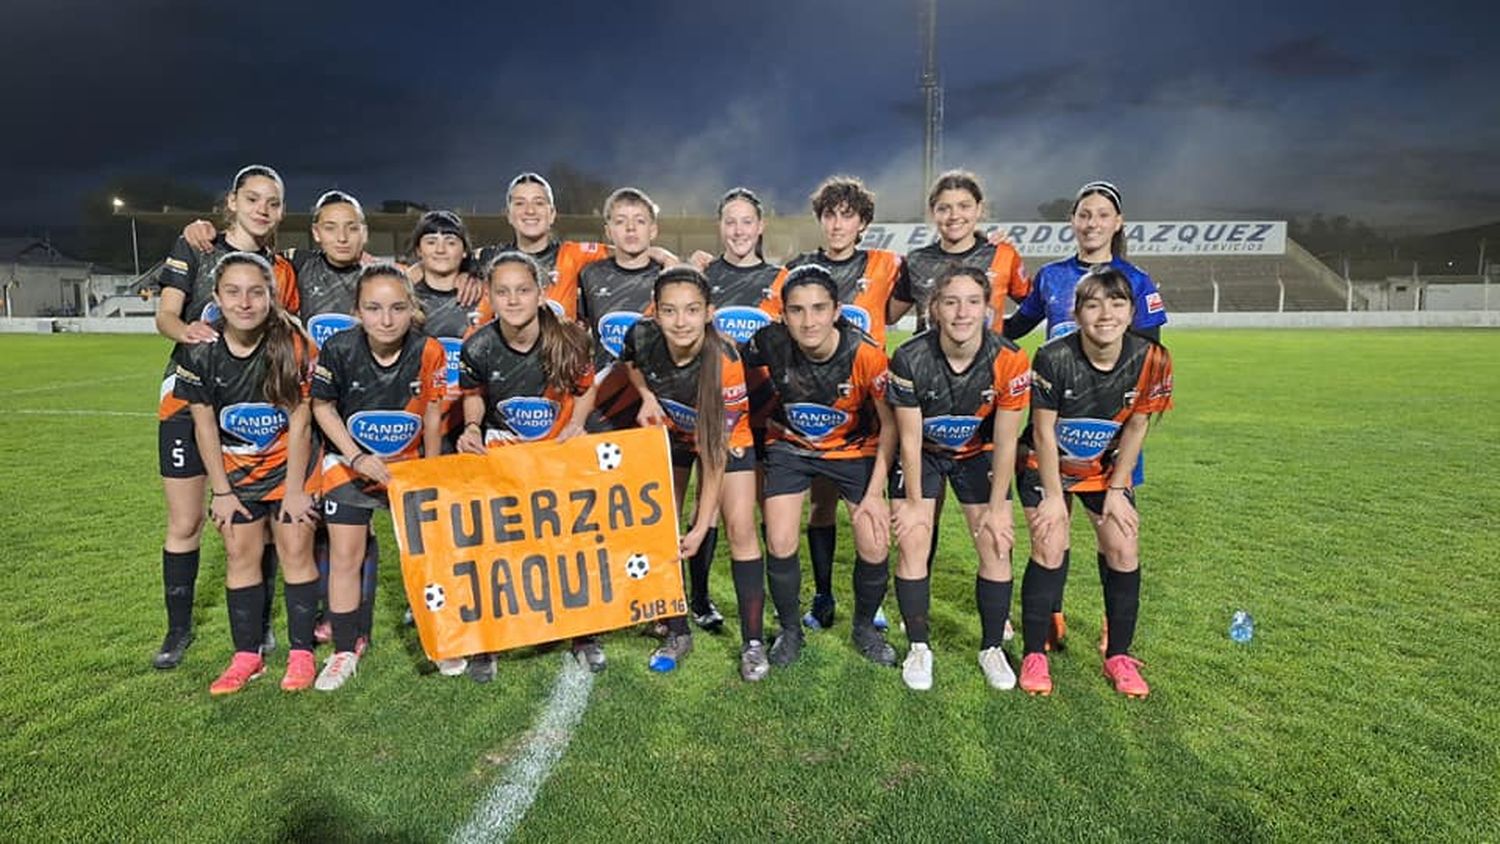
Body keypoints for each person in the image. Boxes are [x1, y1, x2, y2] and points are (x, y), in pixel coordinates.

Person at [1004, 180, 1169, 651]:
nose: (1092, 223)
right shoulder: (1053, 277)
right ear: (1073, 222)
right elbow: (1015, 329)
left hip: (1106, 435)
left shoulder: (1136, 282)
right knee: (1053, 526)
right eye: (1084, 214)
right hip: (1054, 426)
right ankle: (1051, 615)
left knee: (1113, 531)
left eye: (1101, 215)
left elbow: (1148, 359)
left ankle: (1111, 625)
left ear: (1117, 223)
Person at [151, 165, 291, 670]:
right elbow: (166, 315)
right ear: (232, 201)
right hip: (188, 400)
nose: (262, 209)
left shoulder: (278, 266)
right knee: (185, 519)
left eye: (272, 202)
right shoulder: (197, 246)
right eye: (253, 198)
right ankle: (177, 630)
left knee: (263, 521)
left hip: (252, 408)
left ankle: (261, 624)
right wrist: (187, 333)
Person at [1014, 267, 1173, 698]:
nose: (1106, 314)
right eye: (1093, 304)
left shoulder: (1152, 359)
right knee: (1050, 541)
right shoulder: (1053, 357)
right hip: (1044, 463)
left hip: (1104, 469)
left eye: (1117, 303)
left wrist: (1119, 491)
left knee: (1123, 544)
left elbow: (1138, 427)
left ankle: (1119, 657)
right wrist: (1051, 495)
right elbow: (1044, 432)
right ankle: (1034, 654)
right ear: (1078, 312)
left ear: (1131, 311)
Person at [762, 176, 908, 633]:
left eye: (848, 214)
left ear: (863, 221)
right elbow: (776, 333)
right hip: (807, 406)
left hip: (862, 410)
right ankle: (823, 595)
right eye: (830, 214)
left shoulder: (886, 265)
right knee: (819, 509)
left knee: (869, 518)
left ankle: (870, 605)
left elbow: (900, 311)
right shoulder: (796, 269)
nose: (838, 223)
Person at [172, 252, 321, 694]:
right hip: (235, 470)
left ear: (271, 297)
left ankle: (300, 654)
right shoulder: (200, 351)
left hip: (289, 467)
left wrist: (295, 491)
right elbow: (203, 425)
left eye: (256, 292)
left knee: (296, 551)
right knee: (241, 556)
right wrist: (221, 492)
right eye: (233, 292)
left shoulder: (293, 344)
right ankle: (246, 656)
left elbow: (300, 422)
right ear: (216, 297)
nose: (245, 302)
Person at [742, 265, 897, 669]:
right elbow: (725, 360)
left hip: (854, 449)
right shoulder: (768, 341)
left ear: (837, 311)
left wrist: (877, 493)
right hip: (791, 448)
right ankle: (790, 632)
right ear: (783, 313)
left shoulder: (866, 355)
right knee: (778, 539)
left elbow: (892, 425)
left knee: (875, 540)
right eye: (796, 310)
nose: (808, 321)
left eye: (818, 309)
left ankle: (864, 628)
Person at [455, 251, 600, 679]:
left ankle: (583, 633)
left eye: (523, 290)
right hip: (505, 450)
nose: (513, 300)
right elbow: (474, 392)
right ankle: (491, 641)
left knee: (568, 543)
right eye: (503, 291)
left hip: (556, 451)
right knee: (498, 547)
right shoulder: (478, 345)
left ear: (540, 293)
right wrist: (472, 428)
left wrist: (575, 423)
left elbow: (586, 387)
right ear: (490, 295)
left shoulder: (569, 338)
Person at [619, 265, 767, 680]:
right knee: (659, 523)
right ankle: (677, 629)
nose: (681, 322)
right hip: (673, 431)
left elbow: (716, 456)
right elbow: (632, 362)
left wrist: (702, 526)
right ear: (656, 313)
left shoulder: (725, 360)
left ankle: (753, 642)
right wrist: (647, 396)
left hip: (724, 438)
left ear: (709, 313)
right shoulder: (641, 335)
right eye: (670, 311)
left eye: (691, 310)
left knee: (739, 528)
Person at [886, 265, 1030, 691]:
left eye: (972, 302)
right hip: (924, 455)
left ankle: (991, 648)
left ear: (987, 308)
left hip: (976, 453)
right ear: (935, 308)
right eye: (951, 302)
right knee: (913, 538)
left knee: (995, 542)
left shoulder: (1010, 358)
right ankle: (918, 646)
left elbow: (1005, 441)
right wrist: (913, 503)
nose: (962, 312)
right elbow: (909, 439)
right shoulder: (910, 357)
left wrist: (1001, 506)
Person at [310, 264, 447, 690]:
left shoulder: (429, 350)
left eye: (397, 308)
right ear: (358, 311)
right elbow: (321, 407)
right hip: (349, 466)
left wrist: (431, 468)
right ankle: (344, 651)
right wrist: (355, 456)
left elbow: (433, 412)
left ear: (413, 309)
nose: (386, 319)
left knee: (426, 556)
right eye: (373, 308)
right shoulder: (338, 348)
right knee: (346, 557)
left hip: (407, 468)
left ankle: (443, 640)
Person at [679, 187, 782, 631]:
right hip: (715, 414)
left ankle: (777, 601)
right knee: (710, 501)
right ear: (720, 227)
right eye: (730, 222)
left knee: (765, 512)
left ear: (760, 227)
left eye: (746, 222)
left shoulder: (782, 279)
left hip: (768, 411)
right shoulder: (701, 276)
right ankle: (700, 600)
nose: (738, 230)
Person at [889, 169, 1029, 331]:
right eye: (944, 208)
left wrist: (1002, 335)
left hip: (988, 356)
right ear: (932, 212)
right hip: (929, 356)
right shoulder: (916, 261)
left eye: (964, 206)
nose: (954, 215)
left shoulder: (1003, 254)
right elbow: (890, 316)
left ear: (979, 209)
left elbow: (1034, 307)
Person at [407, 210, 486, 445]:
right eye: (431, 242)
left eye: (450, 242)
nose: (440, 250)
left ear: (464, 251)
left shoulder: (485, 297)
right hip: (415, 422)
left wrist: (477, 274)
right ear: (419, 250)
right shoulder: (402, 299)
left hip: (467, 423)